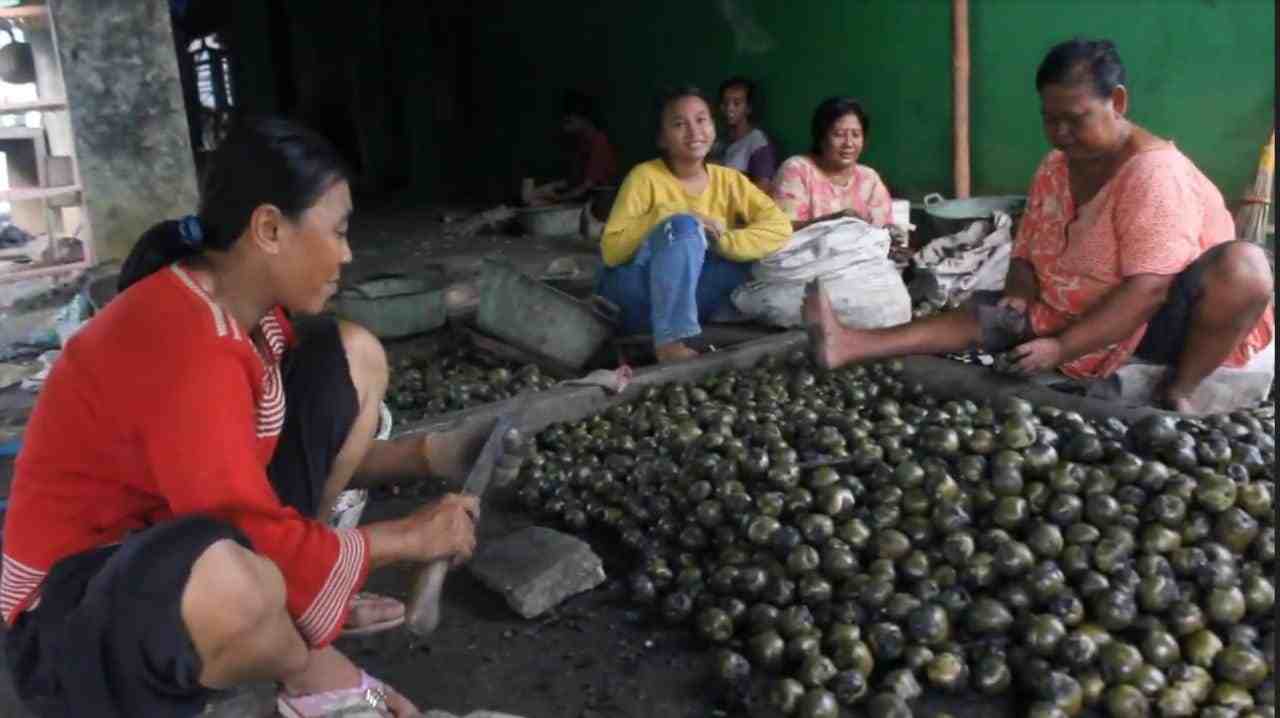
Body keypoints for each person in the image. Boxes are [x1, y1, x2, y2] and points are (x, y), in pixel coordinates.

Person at [0, 117, 486, 717]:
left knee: (346, 357)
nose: (348, 253)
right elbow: (237, 522)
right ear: (269, 228)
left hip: (170, 538)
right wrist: (405, 539)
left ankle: (296, 612)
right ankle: (290, 648)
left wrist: (431, 455)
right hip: (70, 614)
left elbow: (254, 474)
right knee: (240, 588)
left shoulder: (252, 322)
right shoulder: (183, 344)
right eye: (337, 232)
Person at [804, 39, 1274, 413]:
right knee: (987, 315)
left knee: (1246, 267)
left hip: (1158, 322)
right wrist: (1021, 287)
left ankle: (1181, 388)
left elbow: (1147, 291)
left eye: (1075, 120)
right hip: (1073, 307)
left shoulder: (1154, 173)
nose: (1062, 134)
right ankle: (850, 344)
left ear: (1118, 102)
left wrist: (1061, 347)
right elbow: (1028, 247)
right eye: (1051, 121)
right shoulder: (1056, 165)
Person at [597, 86, 791, 362]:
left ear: (713, 126)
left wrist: (721, 242)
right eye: (679, 124)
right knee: (684, 227)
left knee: (742, 259)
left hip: (693, 300)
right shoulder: (645, 177)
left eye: (701, 120)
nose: (694, 131)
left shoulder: (729, 180)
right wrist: (670, 213)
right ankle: (670, 342)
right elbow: (611, 251)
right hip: (637, 295)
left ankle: (683, 328)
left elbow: (779, 226)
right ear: (662, 138)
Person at [772, 96, 893, 231]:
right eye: (839, 134)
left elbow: (883, 230)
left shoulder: (869, 179)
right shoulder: (797, 170)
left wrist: (892, 232)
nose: (849, 143)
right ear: (821, 137)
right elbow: (782, 229)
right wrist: (835, 221)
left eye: (856, 135)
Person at [526, 90, 619, 206]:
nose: (563, 125)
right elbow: (573, 180)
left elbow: (585, 188)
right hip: (584, 201)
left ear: (584, 119)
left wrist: (556, 198)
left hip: (599, 206)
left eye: (568, 120)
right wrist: (547, 188)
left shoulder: (599, 142)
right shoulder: (581, 143)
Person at [713, 76, 779, 192]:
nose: (729, 108)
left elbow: (763, 187)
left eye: (736, 103)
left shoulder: (757, 142)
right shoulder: (717, 139)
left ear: (748, 108)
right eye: (725, 103)